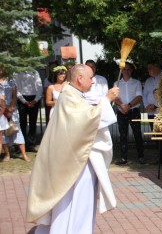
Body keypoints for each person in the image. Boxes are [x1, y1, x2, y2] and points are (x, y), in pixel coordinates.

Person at [26, 64, 119, 233]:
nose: (93, 82)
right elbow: (84, 121)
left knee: (78, 203)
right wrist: (107, 100)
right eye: (90, 78)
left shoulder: (73, 94)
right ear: (80, 78)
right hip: (73, 164)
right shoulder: (68, 96)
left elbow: (85, 115)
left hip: (73, 159)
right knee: (74, 203)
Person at [114, 62, 145, 165]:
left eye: (129, 69)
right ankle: (123, 157)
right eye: (124, 69)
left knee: (137, 134)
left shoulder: (136, 83)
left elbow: (139, 96)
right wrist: (122, 105)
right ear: (121, 71)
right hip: (121, 111)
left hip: (133, 110)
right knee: (123, 135)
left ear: (131, 71)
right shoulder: (116, 83)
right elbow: (115, 97)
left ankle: (141, 156)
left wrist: (129, 105)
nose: (126, 71)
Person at [143, 62, 162, 164]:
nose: (148, 70)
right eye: (148, 68)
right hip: (151, 112)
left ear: (157, 68)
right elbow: (144, 94)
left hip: (161, 112)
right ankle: (160, 157)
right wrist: (147, 105)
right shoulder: (148, 81)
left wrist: (157, 106)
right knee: (155, 135)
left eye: (150, 67)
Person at [0, 70, 30, 162]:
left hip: (12, 109)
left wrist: (11, 107)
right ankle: (7, 154)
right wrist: (4, 109)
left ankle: (24, 154)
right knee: (3, 133)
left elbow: (14, 95)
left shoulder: (11, 80)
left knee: (17, 130)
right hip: (1, 110)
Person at [14, 70, 43, 152]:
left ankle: (31, 144)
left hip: (34, 97)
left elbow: (39, 86)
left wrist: (36, 99)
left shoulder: (35, 72)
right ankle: (22, 144)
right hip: (22, 98)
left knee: (33, 122)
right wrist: (24, 101)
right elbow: (17, 88)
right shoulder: (17, 72)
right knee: (22, 122)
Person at [44, 60, 59, 125]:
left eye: (54, 67)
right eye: (52, 67)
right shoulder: (47, 80)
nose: (53, 69)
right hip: (51, 101)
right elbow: (45, 90)